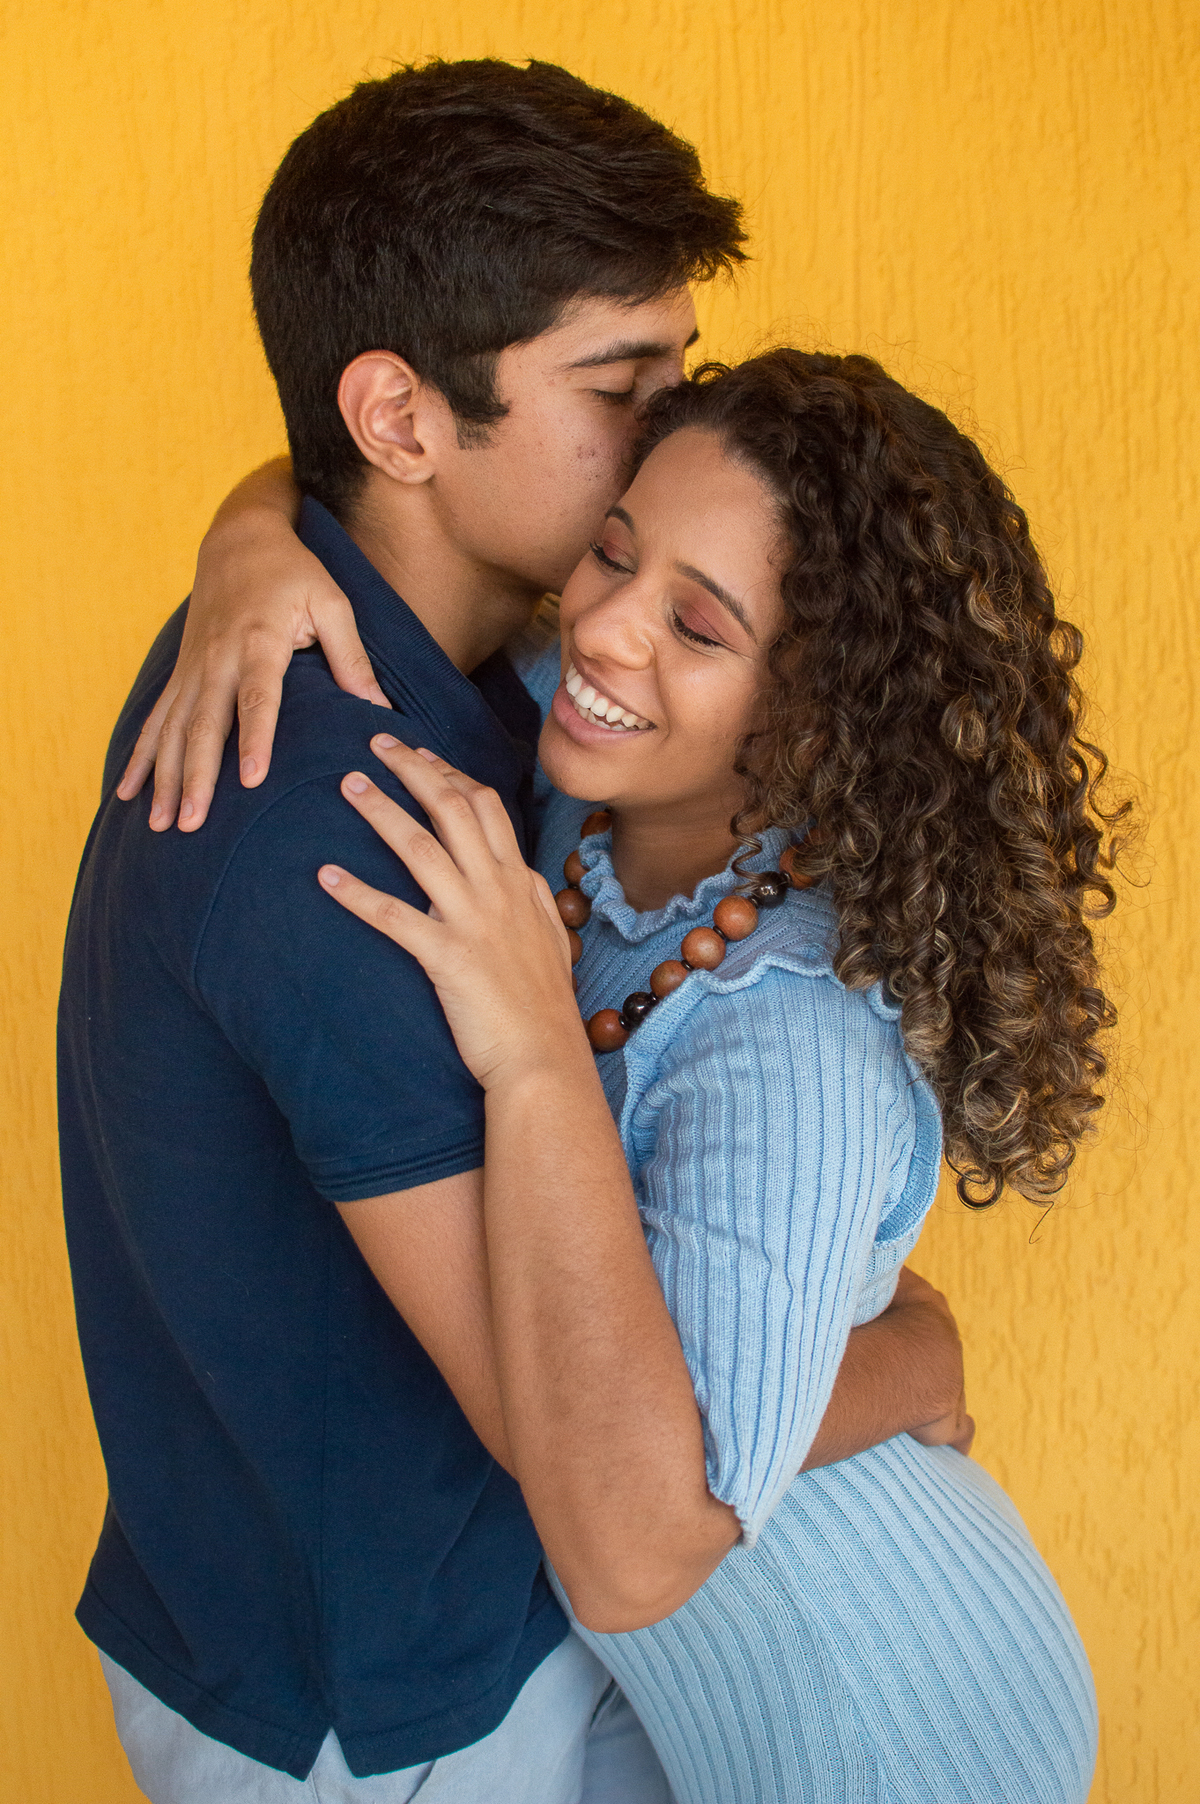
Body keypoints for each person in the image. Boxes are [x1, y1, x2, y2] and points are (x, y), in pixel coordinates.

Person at [61, 60, 966, 1804]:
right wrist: (911, 1357)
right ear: (400, 420)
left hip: (413, 1627)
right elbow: (616, 1505)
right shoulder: (354, 837)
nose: (679, 435)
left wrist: (248, 523)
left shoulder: (366, 632)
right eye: (624, 391)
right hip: (385, 1720)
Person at [309, 350, 1114, 1801]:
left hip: (902, 1727)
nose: (605, 625)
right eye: (614, 550)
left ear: (815, 712)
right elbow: (371, 531)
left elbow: (639, 1546)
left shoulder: (788, 1031)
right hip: (730, 1703)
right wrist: (246, 550)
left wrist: (535, 1043)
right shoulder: (606, 781)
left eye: (697, 624)